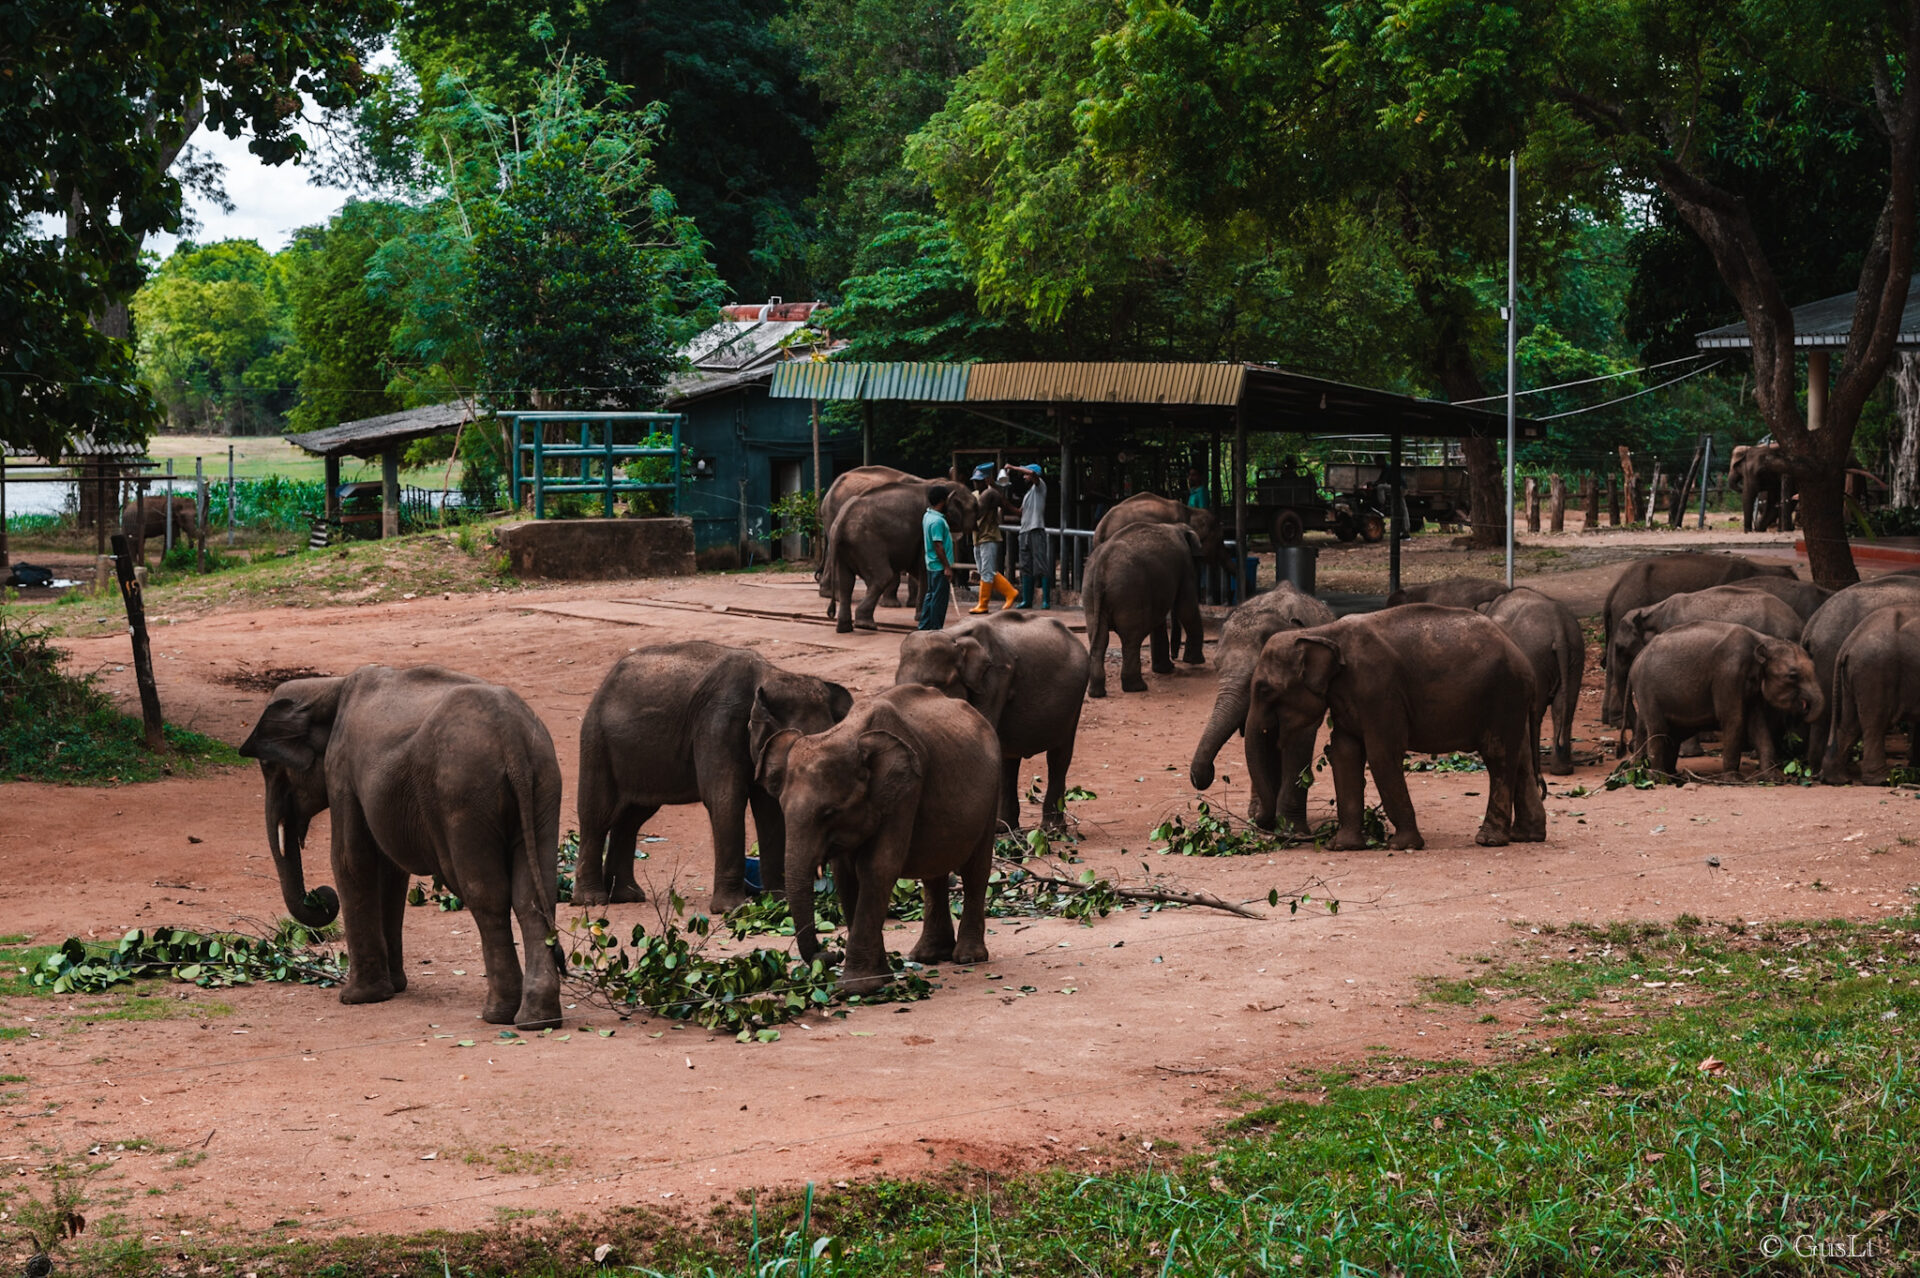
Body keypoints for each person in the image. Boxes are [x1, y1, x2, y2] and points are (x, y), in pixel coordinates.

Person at [968, 465, 1019, 613]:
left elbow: (1003, 501)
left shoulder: (992, 494)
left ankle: (983, 604)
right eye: (974, 481)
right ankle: (1010, 592)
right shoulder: (973, 495)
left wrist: (994, 484)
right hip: (976, 538)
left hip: (989, 536)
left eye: (979, 481)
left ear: (985, 481)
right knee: (985, 571)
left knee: (987, 571)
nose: (976, 483)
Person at [918, 484, 961, 630]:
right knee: (939, 600)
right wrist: (947, 567)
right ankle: (936, 629)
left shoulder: (928, 515)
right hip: (939, 566)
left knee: (930, 596)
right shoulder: (937, 521)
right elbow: (938, 545)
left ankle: (924, 627)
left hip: (931, 564)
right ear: (942, 501)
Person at [1015, 464, 1051, 610]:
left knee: (1041, 565)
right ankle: (1027, 600)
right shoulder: (1028, 494)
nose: (1024, 477)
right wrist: (1003, 503)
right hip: (1024, 531)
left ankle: (1046, 600)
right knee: (1025, 567)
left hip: (1036, 529)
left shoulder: (1040, 486)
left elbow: (1032, 473)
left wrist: (1014, 467)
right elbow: (1020, 513)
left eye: (1026, 474)